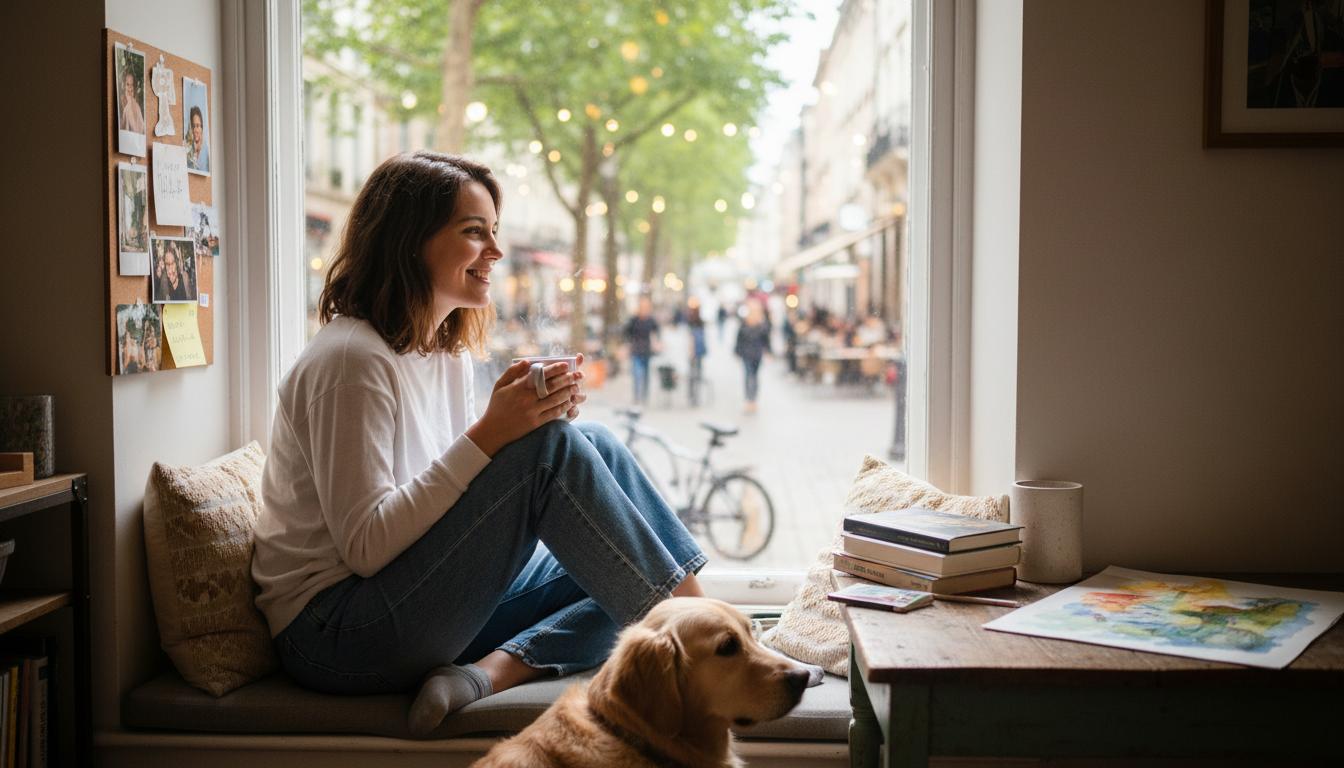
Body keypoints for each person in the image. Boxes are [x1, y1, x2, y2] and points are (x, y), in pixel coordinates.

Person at [250, 151, 708, 737]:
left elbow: (454, 495)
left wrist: (521, 425)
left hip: (407, 599)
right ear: (409, 241)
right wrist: (494, 433)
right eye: (474, 232)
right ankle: (713, 651)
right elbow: (365, 547)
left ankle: (490, 673)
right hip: (336, 633)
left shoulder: (445, 353)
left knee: (601, 469)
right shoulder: (351, 360)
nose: (496, 251)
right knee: (556, 457)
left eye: (494, 231)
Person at [734, 299, 772, 414]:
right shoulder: (744, 323)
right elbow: (739, 339)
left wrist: (768, 352)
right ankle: (749, 399)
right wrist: (737, 351)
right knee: (749, 376)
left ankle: (753, 399)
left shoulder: (762, 324)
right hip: (746, 354)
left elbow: (766, 340)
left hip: (757, 354)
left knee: (754, 377)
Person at [622, 295, 660, 405]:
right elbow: (626, 333)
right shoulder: (634, 320)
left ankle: (645, 396)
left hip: (647, 351)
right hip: (636, 351)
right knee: (637, 374)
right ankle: (637, 397)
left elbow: (657, 332)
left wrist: (656, 342)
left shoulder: (651, 320)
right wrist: (626, 345)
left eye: (646, 307)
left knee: (646, 375)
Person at [686, 301, 707, 406]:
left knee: (695, 374)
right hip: (695, 351)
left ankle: (694, 395)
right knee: (694, 374)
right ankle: (693, 395)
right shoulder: (690, 321)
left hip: (697, 351)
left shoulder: (698, 321)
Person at [187, 105, 210, 172]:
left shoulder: (206, 151)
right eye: (193, 126)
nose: (195, 130)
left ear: (201, 128)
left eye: (197, 126)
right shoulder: (189, 150)